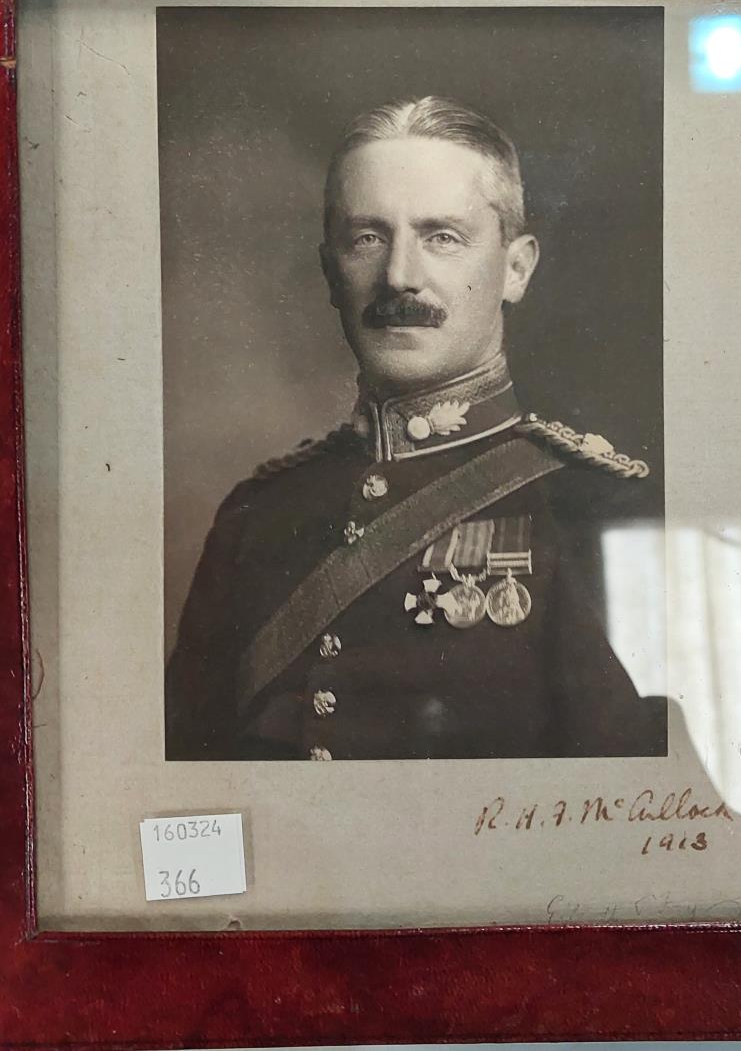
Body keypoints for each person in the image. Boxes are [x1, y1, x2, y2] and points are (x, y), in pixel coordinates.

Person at [165, 95, 665, 761]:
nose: (400, 276)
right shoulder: (254, 516)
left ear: (516, 269)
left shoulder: (600, 507)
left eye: (442, 237)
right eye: (368, 237)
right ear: (328, 270)